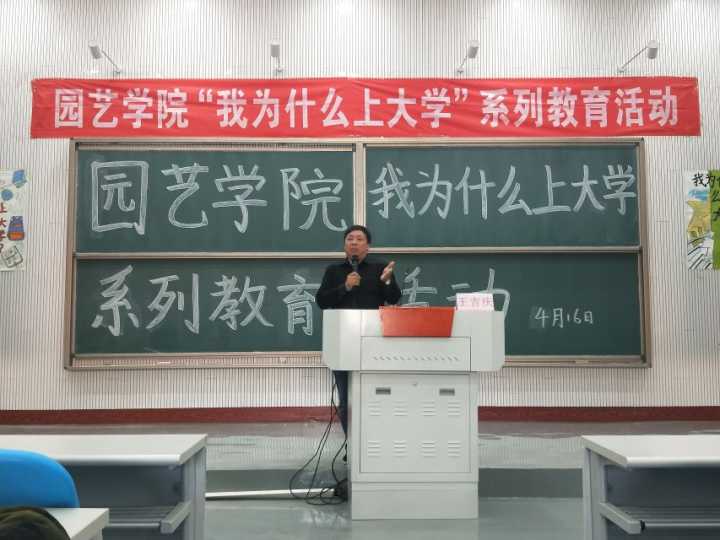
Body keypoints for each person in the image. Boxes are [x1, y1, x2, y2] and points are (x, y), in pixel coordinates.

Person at [316, 225, 401, 437]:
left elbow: (393, 298)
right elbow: (322, 301)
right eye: (350, 239)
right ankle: (351, 444)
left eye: (359, 239)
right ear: (344, 245)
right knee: (346, 400)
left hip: (374, 343)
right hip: (343, 343)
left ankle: (374, 442)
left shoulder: (380, 268)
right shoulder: (334, 271)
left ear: (368, 246)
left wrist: (387, 281)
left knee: (376, 396)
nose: (354, 242)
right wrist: (345, 286)